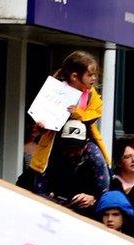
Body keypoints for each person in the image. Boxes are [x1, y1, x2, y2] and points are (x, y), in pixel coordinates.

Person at [29, 51, 110, 179]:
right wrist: (41, 126)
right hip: (56, 139)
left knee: (99, 161)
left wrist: (80, 114)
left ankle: (103, 190)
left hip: (82, 139)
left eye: (94, 75)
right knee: (45, 168)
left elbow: (97, 111)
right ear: (74, 76)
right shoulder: (56, 90)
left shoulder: (90, 93)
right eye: (90, 75)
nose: (94, 78)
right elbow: (44, 115)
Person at [23, 120, 105, 218]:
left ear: (85, 146)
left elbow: (106, 191)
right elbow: (26, 183)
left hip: (84, 215)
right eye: (68, 148)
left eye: (76, 149)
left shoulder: (95, 160)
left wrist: (93, 198)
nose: (71, 153)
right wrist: (45, 196)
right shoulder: (49, 158)